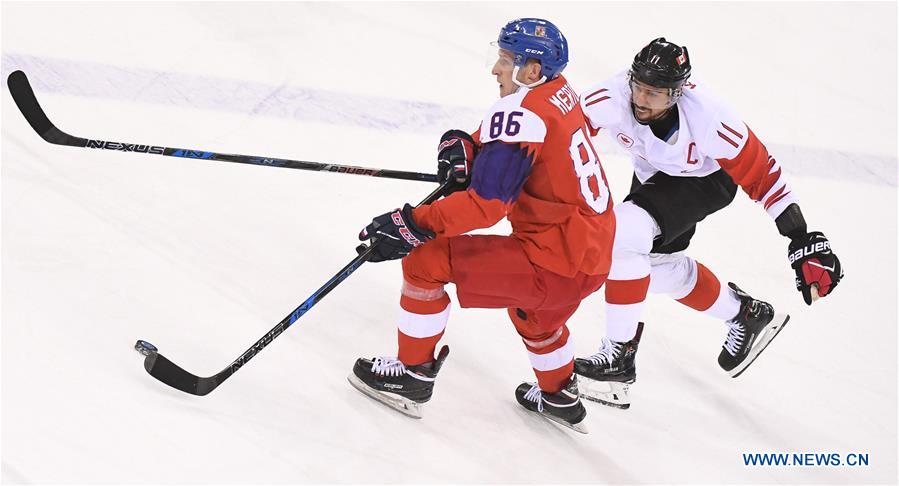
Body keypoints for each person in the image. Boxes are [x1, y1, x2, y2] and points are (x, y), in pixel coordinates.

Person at [348, 18, 616, 433]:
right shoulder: (560, 94)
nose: (495, 69)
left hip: (552, 262)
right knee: (536, 316)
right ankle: (559, 394)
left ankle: (411, 377)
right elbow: (513, 145)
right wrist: (467, 146)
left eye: (506, 59)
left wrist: (412, 224)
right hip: (591, 260)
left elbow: (486, 206)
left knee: (425, 260)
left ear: (531, 70)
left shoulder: (522, 114)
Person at [574, 38, 844, 408]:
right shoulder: (610, 95)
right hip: (654, 176)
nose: (641, 99)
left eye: (655, 93)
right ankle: (745, 314)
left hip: (706, 182)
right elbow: (565, 132)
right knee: (643, 268)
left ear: (678, 93)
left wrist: (801, 237)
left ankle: (619, 357)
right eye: (638, 86)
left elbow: (763, 174)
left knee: (619, 236)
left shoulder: (710, 118)